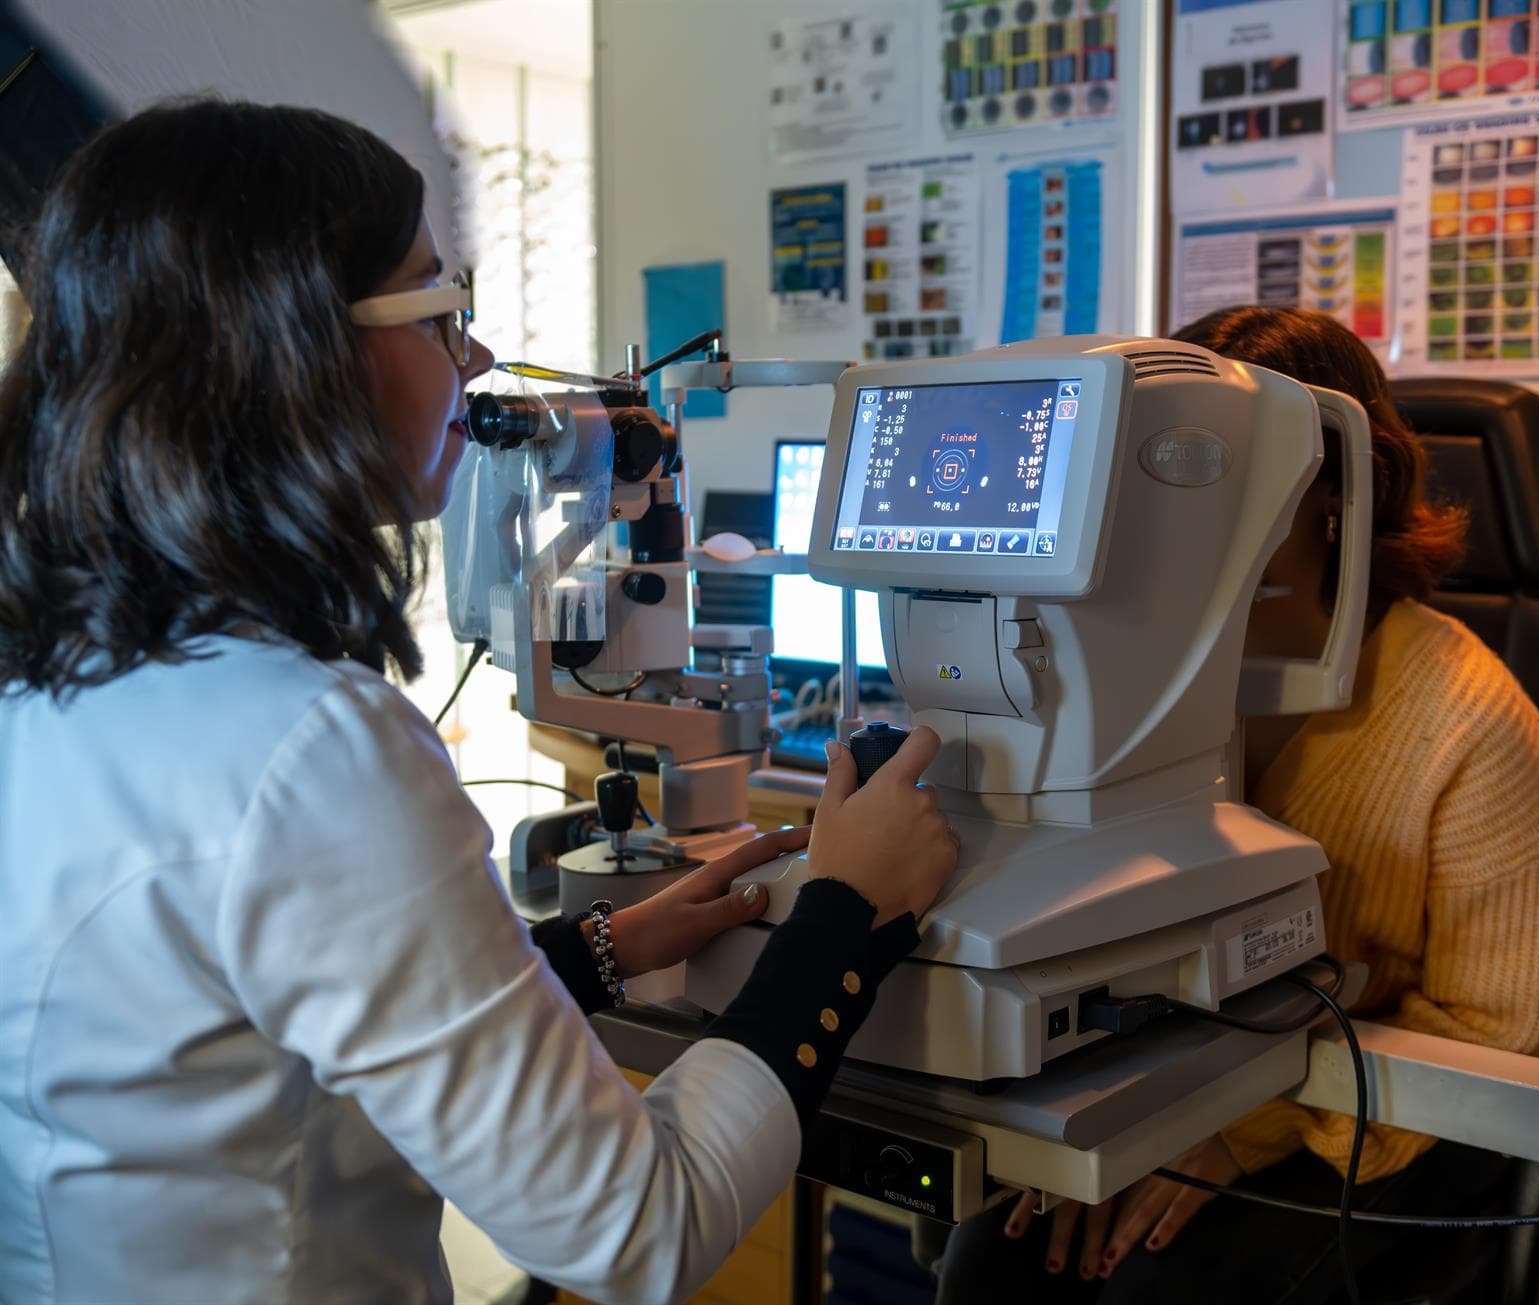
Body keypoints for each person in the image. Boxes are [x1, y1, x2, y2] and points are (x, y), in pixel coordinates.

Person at [0, 100, 957, 1305]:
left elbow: (250, 1029)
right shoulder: (309, 748)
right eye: (439, 310)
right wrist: (846, 912)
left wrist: (598, 950)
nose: (481, 362)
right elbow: (636, 1232)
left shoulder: (56, 684)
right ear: (290, 348)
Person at [934, 307, 1539, 1304]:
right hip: (1174, 1084)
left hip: (1373, 1123)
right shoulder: (1136, 682)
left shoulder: (1478, 729)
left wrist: (1237, 1137)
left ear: (1340, 492)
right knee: (987, 1269)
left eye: (1233, 476)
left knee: (1158, 1291)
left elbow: (1494, 1045)